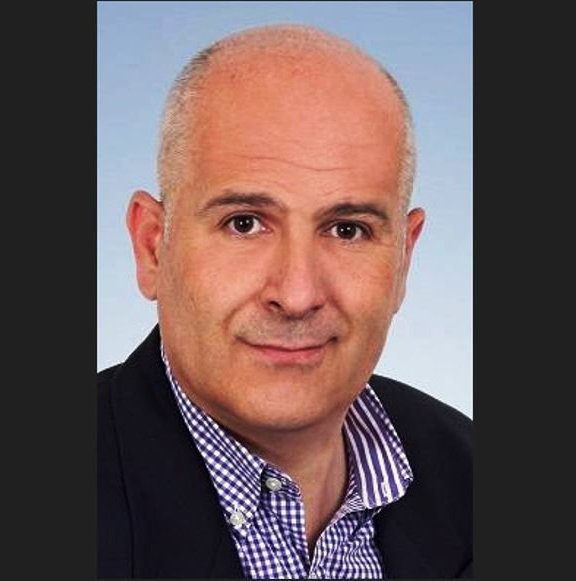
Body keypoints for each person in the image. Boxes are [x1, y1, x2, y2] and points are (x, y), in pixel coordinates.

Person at [98, 24, 472, 579]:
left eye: (347, 230)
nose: (297, 296)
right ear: (153, 246)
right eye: (244, 224)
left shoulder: (468, 475)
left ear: (403, 260)